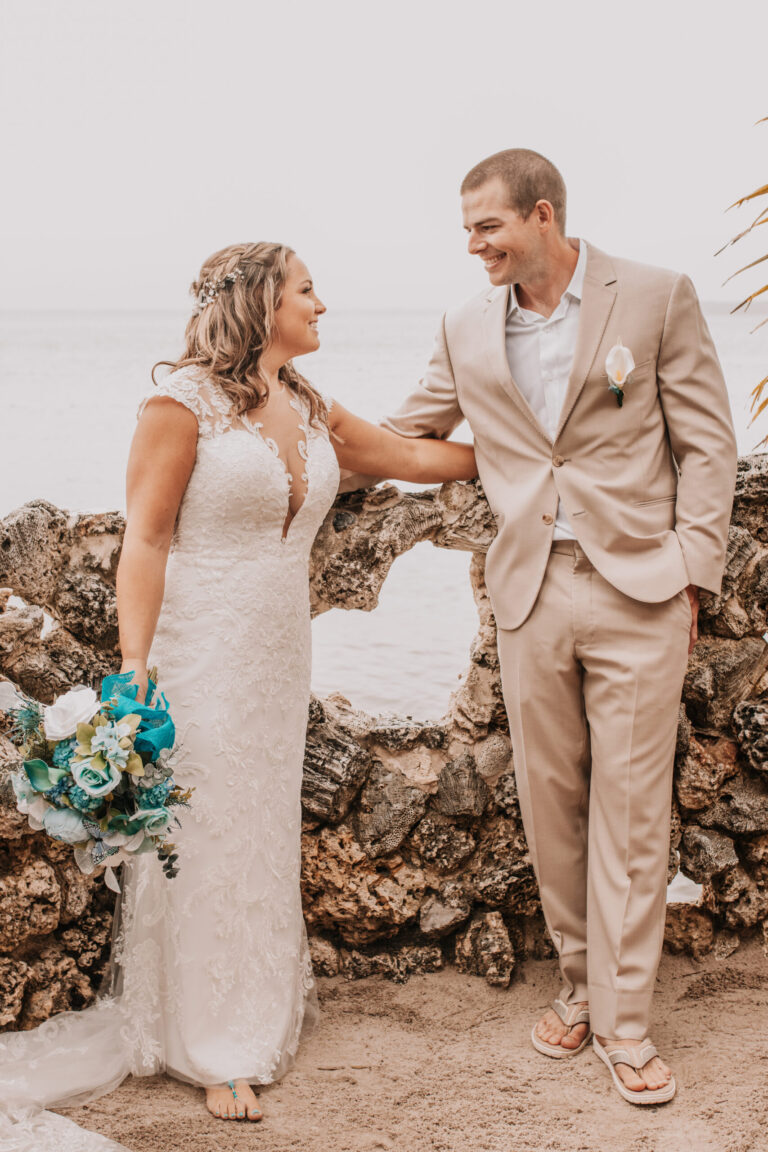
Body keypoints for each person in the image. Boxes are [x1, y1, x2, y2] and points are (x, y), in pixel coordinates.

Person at [0, 241, 476, 1148]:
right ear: (261, 301)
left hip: (277, 658)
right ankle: (212, 1046)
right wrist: (134, 665)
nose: (323, 305)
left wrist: (526, 448)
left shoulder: (304, 401)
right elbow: (144, 539)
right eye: (307, 291)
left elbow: (404, 455)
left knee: (259, 828)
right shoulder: (177, 405)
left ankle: (255, 1007)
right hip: (202, 654)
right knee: (205, 830)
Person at [359, 149, 737, 1104]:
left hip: (641, 590)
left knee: (635, 810)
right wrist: (286, 428)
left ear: (541, 214)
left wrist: (692, 568)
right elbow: (409, 438)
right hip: (528, 591)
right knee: (551, 804)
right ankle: (578, 983)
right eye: (466, 231)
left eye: (486, 227)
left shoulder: (654, 296)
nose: (474, 246)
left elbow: (706, 441)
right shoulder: (463, 327)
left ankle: (628, 1024)